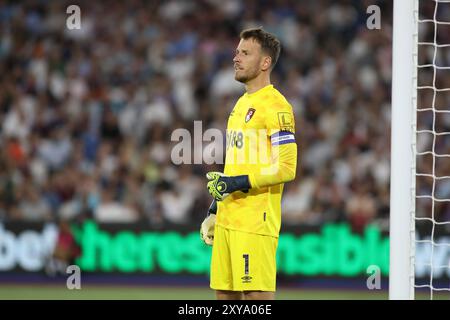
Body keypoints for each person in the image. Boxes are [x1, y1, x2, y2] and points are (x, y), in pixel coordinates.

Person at [200, 27, 298, 300]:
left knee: (256, 299)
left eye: (245, 53)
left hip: (255, 222)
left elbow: (286, 168)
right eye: (236, 52)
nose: (236, 57)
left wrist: (235, 183)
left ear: (265, 62)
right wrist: (215, 209)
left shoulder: (276, 107)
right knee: (224, 297)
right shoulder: (241, 103)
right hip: (228, 218)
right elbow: (235, 166)